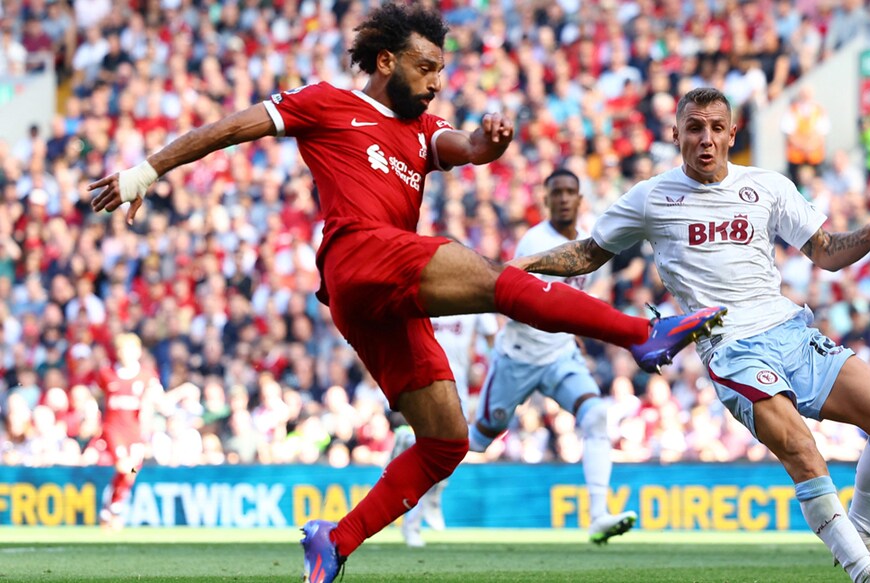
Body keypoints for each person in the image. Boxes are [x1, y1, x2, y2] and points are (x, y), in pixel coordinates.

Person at [88, 6, 725, 582]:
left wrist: (488, 145)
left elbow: (465, 146)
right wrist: (147, 171)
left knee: (446, 441)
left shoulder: (423, 129)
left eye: (441, 71)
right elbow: (233, 129)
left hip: (374, 298)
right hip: (359, 254)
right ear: (387, 62)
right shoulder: (327, 101)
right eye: (426, 68)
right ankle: (642, 335)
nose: (435, 81)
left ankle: (334, 542)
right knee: (497, 280)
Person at [511, 88, 870, 583]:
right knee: (801, 448)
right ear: (675, 134)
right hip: (729, 347)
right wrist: (522, 264)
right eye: (695, 129)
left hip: (789, 329)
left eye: (716, 129)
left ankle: (863, 539)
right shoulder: (651, 196)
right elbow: (589, 253)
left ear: (732, 135)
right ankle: (866, 574)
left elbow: (826, 252)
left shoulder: (767, 186)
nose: (706, 139)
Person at [470, 169, 638, 545]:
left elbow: (574, 299)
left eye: (570, 192)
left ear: (581, 199)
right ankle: (420, 500)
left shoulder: (592, 242)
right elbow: (521, 302)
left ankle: (598, 516)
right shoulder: (534, 241)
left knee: (595, 415)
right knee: (477, 441)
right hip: (519, 356)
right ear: (546, 200)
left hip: (559, 354)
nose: (563, 198)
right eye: (556, 192)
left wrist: (573, 332)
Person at [397, 307, 498, 548]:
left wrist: (492, 375)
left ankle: (409, 447)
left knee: (456, 448)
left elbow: (494, 338)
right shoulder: (425, 289)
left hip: (458, 384)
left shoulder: (474, 294)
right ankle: (413, 522)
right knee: (434, 451)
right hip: (424, 379)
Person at [92, 333, 163, 531]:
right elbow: (94, 395)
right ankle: (114, 508)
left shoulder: (147, 375)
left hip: (136, 433)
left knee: (131, 472)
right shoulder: (107, 374)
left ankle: (112, 507)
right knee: (124, 466)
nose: (125, 354)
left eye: (130, 349)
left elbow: (157, 399)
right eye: (121, 350)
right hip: (114, 430)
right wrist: (91, 414)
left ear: (138, 351)